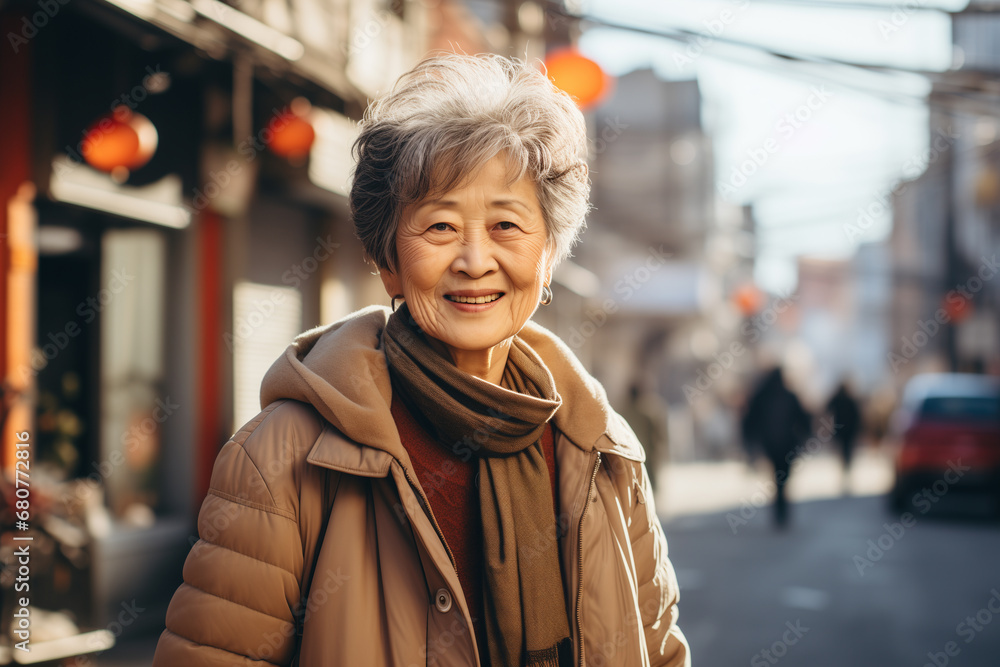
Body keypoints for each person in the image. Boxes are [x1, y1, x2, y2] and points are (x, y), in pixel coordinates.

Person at [153, 54, 689, 667]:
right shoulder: (283, 458)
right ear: (389, 264)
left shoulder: (600, 451)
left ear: (547, 261)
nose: (474, 260)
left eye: (506, 225)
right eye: (439, 227)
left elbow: (657, 649)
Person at [741, 366, 811, 528]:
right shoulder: (788, 395)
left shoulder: (762, 396)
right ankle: (781, 510)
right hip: (787, 445)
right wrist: (804, 437)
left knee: (778, 478)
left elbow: (750, 420)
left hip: (771, 445)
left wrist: (750, 441)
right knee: (782, 478)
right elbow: (802, 419)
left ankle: (780, 510)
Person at [825, 381, 861, 494]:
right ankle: (846, 475)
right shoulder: (849, 399)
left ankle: (846, 476)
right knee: (846, 454)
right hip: (847, 431)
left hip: (842, 431)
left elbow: (827, 408)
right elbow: (857, 416)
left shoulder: (840, 399)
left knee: (844, 453)